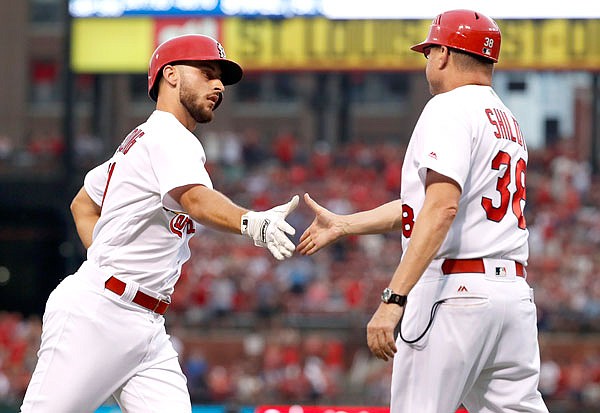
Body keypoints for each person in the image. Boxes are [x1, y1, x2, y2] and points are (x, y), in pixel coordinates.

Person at [20, 34, 299, 412]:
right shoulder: (168, 136)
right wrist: (252, 222)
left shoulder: (142, 140)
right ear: (170, 75)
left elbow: (82, 204)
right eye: (205, 72)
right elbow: (195, 199)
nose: (217, 85)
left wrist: (103, 259)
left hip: (145, 323)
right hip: (99, 315)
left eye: (220, 78)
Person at [298, 9, 549, 413]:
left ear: (445, 54)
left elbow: (442, 208)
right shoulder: (506, 119)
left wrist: (393, 298)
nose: (427, 61)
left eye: (429, 52)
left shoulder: (448, 107)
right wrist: (345, 224)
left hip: (455, 293)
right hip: (513, 297)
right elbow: (429, 205)